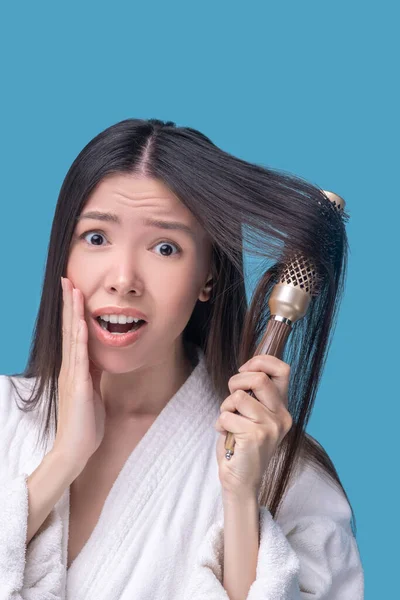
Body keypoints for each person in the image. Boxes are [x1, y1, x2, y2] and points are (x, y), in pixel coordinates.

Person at [0, 118, 364, 599]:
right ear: (61, 254)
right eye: (96, 238)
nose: (123, 278)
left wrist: (240, 498)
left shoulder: (291, 479)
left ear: (208, 277)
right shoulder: (6, 415)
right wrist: (63, 459)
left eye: (165, 247)